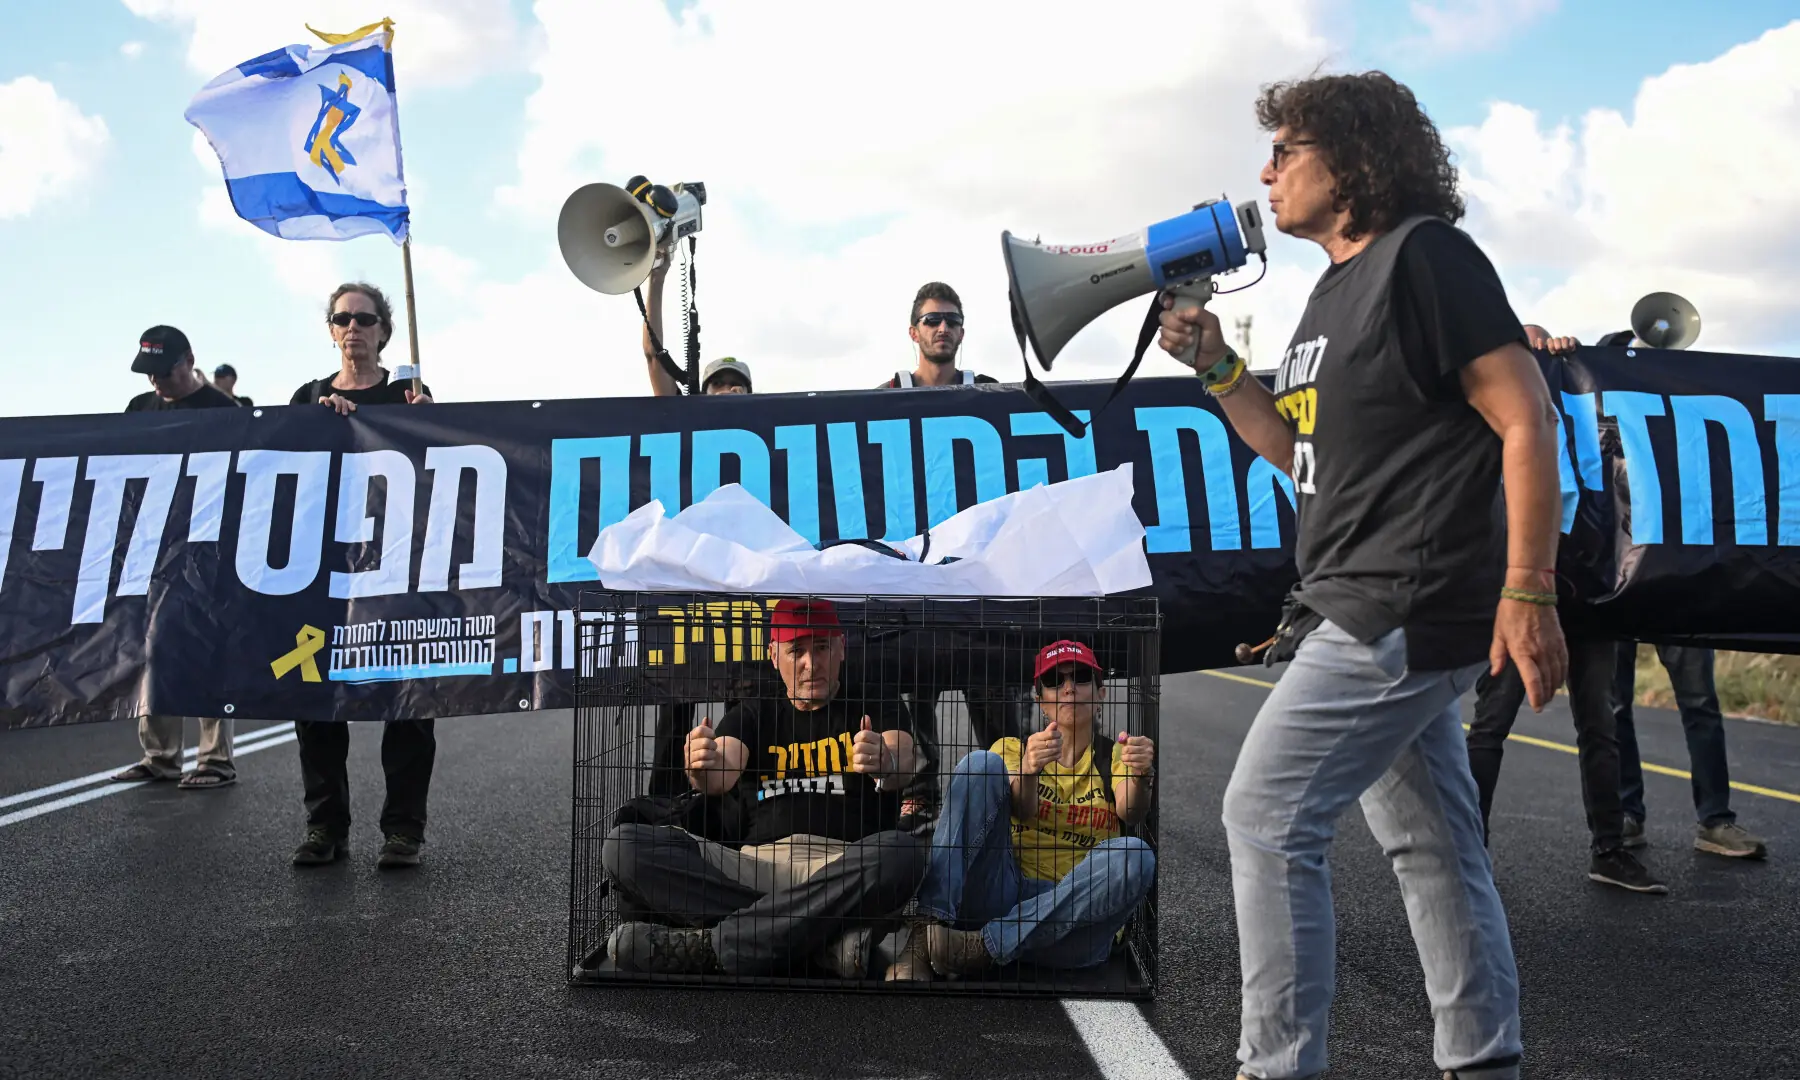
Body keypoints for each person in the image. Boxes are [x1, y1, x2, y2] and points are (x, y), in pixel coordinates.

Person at [1158, 73, 1567, 1080]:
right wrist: (1218, 371)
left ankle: (1278, 1066)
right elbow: (1296, 454)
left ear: (1354, 162)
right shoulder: (1333, 291)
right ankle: (1483, 1057)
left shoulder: (1426, 259)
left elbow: (1527, 416)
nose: (1267, 172)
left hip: (1398, 596)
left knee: (1264, 815)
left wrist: (1529, 588)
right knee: (1433, 847)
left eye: (1287, 150)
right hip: (1360, 593)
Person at [602, 599, 927, 978]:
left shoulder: (873, 701)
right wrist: (701, 763)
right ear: (774, 656)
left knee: (901, 853)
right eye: (796, 651)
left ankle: (713, 945)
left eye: (821, 647)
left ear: (841, 647)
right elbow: (720, 771)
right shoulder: (756, 709)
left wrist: (884, 760)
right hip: (756, 866)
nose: (811, 663)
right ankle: (817, 941)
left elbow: (903, 755)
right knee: (624, 847)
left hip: (841, 867)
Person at [1464, 326, 1664, 894]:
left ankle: (1610, 850)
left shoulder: (1597, 420)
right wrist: (1518, 337)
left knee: (1599, 723)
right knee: (1491, 723)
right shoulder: (1504, 408)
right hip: (1523, 587)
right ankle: (1467, 851)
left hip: (1589, 587)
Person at [887, 639, 1156, 982]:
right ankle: (924, 935)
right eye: (1055, 681)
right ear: (1041, 701)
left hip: (1076, 915)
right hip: (1005, 891)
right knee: (979, 764)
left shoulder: (1115, 754)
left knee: (1136, 855)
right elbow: (1023, 809)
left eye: (1081, 677)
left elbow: (1130, 811)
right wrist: (1029, 770)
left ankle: (983, 946)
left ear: (1101, 693)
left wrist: (1142, 773)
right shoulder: (1016, 748)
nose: (1069, 688)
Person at [288, 283, 438, 870]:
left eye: (364, 318)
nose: (353, 327)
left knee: (408, 701)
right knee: (318, 701)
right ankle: (325, 827)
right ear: (331, 330)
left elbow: (437, 471)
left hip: (398, 571)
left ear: (384, 332)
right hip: (324, 572)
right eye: (342, 318)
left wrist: (430, 424)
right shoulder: (307, 395)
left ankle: (403, 831)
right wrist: (315, 422)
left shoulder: (409, 395)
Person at [114, 325, 240, 789]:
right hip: (155, 545)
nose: (156, 383)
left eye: (164, 372)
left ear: (189, 361)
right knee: (155, 647)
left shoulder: (222, 410)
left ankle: (215, 759)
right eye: (148, 374)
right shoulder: (139, 409)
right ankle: (161, 755)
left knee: (206, 646)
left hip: (208, 546)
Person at [1614, 643, 1768, 859]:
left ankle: (1715, 820)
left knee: (1701, 704)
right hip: (1616, 609)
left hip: (1678, 610)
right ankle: (1626, 814)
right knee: (1614, 707)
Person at [640, 240, 752, 397]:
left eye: (736, 384)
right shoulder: (686, 416)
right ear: (704, 392)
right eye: (717, 383)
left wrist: (742, 410)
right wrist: (656, 278)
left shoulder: (764, 420)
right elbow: (653, 356)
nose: (726, 389)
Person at [879, 281, 998, 388]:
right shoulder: (884, 398)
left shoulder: (988, 392)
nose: (943, 329)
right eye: (932, 319)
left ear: (961, 334)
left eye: (953, 320)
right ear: (914, 333)